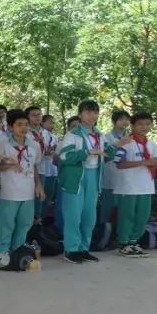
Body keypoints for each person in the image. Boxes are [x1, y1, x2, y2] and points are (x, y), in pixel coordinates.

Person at [57, 100, 121, 264]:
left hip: (93, 176)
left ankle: (84, 248)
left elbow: (108, 154)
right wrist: (87, 152)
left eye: (95, 112)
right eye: (88, 112)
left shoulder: (100, 134)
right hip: (75, 179)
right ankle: (71, 250)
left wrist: (117, 145)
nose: (92, 116)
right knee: (73, 215)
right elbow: (64, 157)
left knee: (89, 216)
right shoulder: (72, 134)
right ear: (80, 114)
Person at [0, 111, 45, 265]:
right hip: (10, 190)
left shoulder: (33, 145)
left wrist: (39, 184)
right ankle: (2, 250)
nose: (23, 128)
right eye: (19, 125)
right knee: (6, 222)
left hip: (28, 191)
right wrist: (8, 166)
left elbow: (34, 166)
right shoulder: (4, 144)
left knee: (25, 222)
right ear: (11, 127)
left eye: (26, 124)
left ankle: (18, 248)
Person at [113, 112, 157, 257]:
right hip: (129, 186)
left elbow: (154, 162)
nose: (144, 127)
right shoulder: (126, 142)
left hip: (146, 186)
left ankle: (134, 241)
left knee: (143, 215)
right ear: (132, 125)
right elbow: (119, 164)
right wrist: (143, 162)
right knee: (127, 215)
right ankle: (123, 242)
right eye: (140, 124)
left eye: (147, 124)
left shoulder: (151, 144)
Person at [100, 110, 132, 226]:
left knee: (123, 209)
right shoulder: (106, 137)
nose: (125, 122)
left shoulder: (131, 137)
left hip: (126, 178)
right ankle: (104, 233)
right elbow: (104, 157)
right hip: (110, 177)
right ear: (114, 121)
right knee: (108, 207)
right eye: (121, 119)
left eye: (127, 119)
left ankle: (118, 234)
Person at [26, 107, 57, 223]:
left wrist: (49, 151)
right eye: (33, 115)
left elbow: (48, 150)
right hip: (29, 169)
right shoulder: (25, 132)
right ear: (27, 117)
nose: (37, 117)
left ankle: (39, 221)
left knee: (42, 197)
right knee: (31, 196)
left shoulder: (46, 133)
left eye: (39, 115)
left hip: (43, 167)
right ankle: (30, 221)